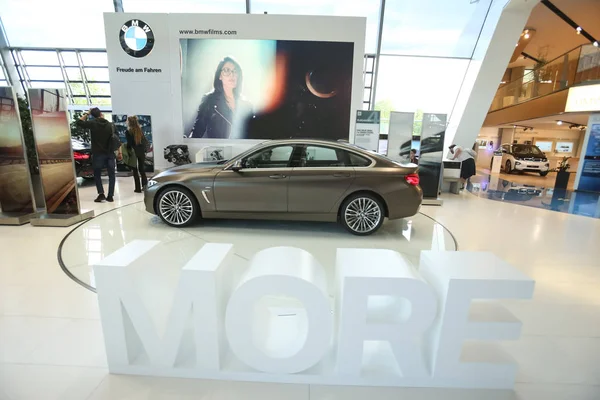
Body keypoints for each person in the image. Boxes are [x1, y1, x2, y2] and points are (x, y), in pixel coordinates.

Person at [189, 56, 253, 139]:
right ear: (219, 76)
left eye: (235, 71)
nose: (232, 74)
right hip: (219, 150)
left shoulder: (247, 105)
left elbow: (253, 136)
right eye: (227, 70)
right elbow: (196, 133)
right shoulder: (209, 101)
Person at [76, 108, 116, 202]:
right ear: (101, 114)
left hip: (98, 154)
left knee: (97, 174)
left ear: (92, 115)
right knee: (111, 175)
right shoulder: (110, 125)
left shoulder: (93, 123)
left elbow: (79, 122)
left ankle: (101, 194)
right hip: (109, 153)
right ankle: (110, 196)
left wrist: (87, 113)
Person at [124, 116, 148, 193]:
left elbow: (129, 143)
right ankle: (145, 186)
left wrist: (125, 148)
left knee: (135, 170)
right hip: (141, 151)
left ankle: (137, 188)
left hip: (133, 152)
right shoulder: (140, 130)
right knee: (142, 169)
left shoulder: (128, 132)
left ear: (129, 122)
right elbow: (144, 141)